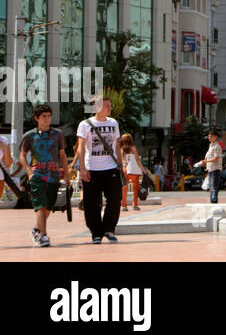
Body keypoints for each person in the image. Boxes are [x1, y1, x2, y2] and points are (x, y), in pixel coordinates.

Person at [74, 94, 123, 244]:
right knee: (91, 203)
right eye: (106, 106)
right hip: (92, 169)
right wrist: (82, 169)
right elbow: (81, 148)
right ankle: (96, 232)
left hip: (111, 168)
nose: (110, 108)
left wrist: (120, 166)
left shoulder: (113, 123)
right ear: (97, 107)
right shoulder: (85, 124)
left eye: (110, 105)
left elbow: (116, 145)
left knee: (115, 199)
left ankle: (109, 229)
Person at [18, 104, 67, 247]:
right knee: (41, 205)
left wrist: (67, 174)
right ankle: (43, 236)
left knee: (48, 207)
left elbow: (62, 155)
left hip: (54, 175)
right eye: (44, 116)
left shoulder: (58, 134)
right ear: (36, 118)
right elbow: (22, 156)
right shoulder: (29, 136)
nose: (47, 119)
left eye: (49, 116)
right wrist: (29, 172)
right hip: (37, 175)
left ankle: (36, 230)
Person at [119, 134, 144, 211]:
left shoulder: (120, 149)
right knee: (135, 188)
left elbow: (119, 160)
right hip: (133, 170)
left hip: (124, 169)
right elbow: (137, 159)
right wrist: (142, 168)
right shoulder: (133, 148)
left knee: (124, 188)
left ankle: (124, 205)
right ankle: (135, 205)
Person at [202, 128, 224, 204]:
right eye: (209, 136)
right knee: (211, 186)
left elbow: (216, 158)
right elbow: (208, 155)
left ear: (216, 137)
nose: (209, 138)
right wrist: (205, 162)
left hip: (215, 168)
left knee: (214, 186)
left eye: (211, 136)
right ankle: (212, 200)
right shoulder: (210, 145)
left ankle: (214, 201)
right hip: (210, 168)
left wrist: (206, 161)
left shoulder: (217, 146)